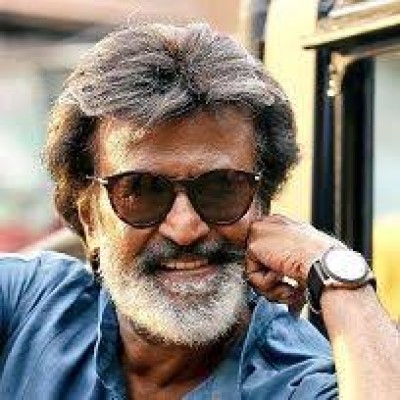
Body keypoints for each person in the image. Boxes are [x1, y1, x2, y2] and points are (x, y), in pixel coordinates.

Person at [0, 23, 399, 400]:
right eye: (141, 190)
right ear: (89, 219)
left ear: (261, 206)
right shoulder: (30, 306)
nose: (186, 228)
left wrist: (338, 275)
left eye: (222, 188)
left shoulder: (295, 381)